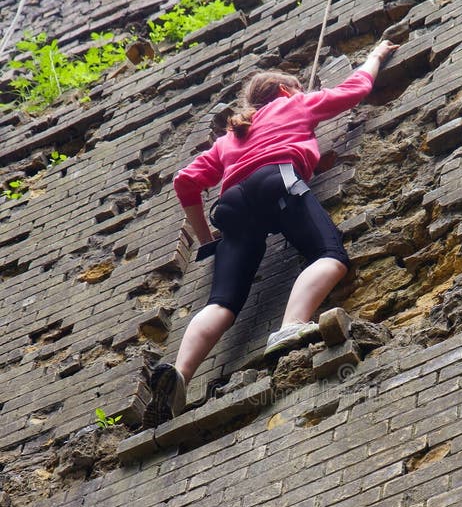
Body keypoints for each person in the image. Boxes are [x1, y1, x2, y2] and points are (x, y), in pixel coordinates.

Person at [142, 39, 398, 429]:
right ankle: (291, 327)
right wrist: (376, 56)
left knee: (222, 302)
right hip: (274, 180)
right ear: (283, 91)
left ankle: (178, 376)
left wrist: (207, 238)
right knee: (330, 256)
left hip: (230, 207)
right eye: (297, 88)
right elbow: (355, 90)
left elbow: (185, 183)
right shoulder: (292, 104)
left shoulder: (229, 139)